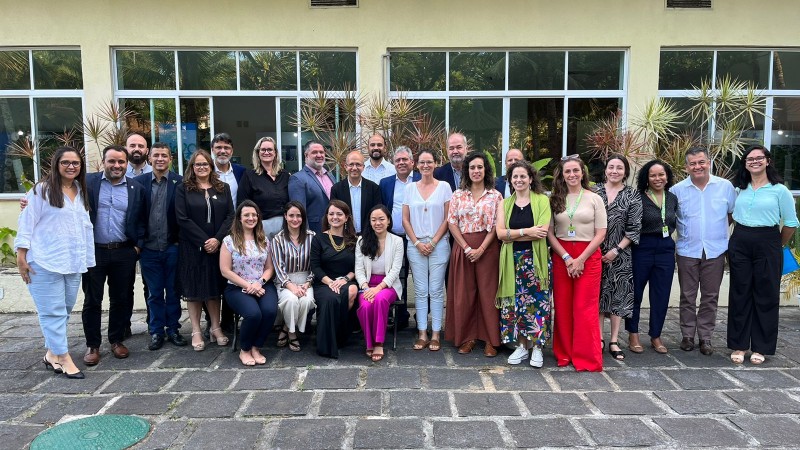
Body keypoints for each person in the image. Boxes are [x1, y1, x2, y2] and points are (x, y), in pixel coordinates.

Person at [15, 147, 94, 379]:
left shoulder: (80, 190)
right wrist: (21, 256)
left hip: (72, 260)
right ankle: (64, 356)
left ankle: (51, 354)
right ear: (56, 164)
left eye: (76, 163)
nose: (71, 166)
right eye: (66, 162)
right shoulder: (41, 191)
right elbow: (26, 222)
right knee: (52, 312)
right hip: (44, 261)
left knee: (66, 308)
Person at [728, 145, 798, 365]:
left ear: (768, 161)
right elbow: (729, 215)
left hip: (768, 241)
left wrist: (777, 244)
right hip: (740, 239)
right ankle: (739, 345)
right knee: (740, 293)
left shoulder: (780, 190)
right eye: (750, 158)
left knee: (765, 295)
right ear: (745, 163)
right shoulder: (739, 188)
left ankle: (761, 347)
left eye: (759, 158)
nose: (754, 161)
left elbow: (791, 223)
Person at [82, 145, 147, 366]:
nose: (116, 165)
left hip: (123, 251)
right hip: (94, 251)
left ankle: (117, 339)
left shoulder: (136, 188)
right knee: (92, 300)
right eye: (112, 161)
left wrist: (137, 246)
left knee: (121, 298)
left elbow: (142, 219)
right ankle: (93, 345)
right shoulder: (87, 182)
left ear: (127, 164)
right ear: (103, 162)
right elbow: (56, 188)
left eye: (121, 162)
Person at [671, 147, 737, 356]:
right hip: (687, 250)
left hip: (715, 250)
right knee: (687, 296)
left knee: (710, 296)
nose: (697, 166)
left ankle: (705, 337)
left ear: (709, 162)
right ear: (686, 166)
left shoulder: (725, 187)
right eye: (693, 163)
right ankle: (688, 335)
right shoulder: (677, 190)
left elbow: (730, 214)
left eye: (701, 162)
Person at [547, 155, 607, 372]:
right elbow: (550, 234)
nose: (572, 175)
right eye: (567, 172)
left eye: (575, 171)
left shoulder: (594, 198)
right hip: (562, 255)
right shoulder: (555, 199)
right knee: (562, 307)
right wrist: (566, 258)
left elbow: (601, 233)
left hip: (588, 256)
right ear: (562, 176)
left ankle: (586, 357)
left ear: (583, 173)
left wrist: (580, 259)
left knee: (585, 308)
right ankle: (564, 354)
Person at [175, 149, 235, 351]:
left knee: (213, 290)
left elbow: (230, 216)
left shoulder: (223, 188)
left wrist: (217, 240)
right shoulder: (184, 188)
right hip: (192, 247)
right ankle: (196, 330)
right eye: (197, 164)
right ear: (192, 167)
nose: (201, 167)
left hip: (217, 248)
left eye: (205, 164)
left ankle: (216, 328)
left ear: (211, 167)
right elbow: (182, 218)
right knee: (194, 290)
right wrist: (203, 241)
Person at [446, 151, 502, 357]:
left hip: (488, 248)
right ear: (466, 171)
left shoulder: (495, 195)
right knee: (464, 294)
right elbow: (452, 222)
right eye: (472, 168)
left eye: (480, 167)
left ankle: (490, 340)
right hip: (463, 248)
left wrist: (482, 248)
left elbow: (497, 225)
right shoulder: (457, 195)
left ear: (485, 170)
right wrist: (468, 248)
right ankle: (467, 337)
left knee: (489, 294)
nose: (476, 171)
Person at [496, 161, 552, 367]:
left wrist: (513, 235)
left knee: (538, 304)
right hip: (512, 261)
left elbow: (542, 232)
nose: (519, 180)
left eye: (523, 176)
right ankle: (521, 346)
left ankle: (537, 348)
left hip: (535, 261)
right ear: (510, 181)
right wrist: (527, 232)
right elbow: (500, 234)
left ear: (530, 179)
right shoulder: (505, 203)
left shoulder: (542, 201)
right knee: (516, 305)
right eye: (515, 177)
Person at [135, 143, 187, 351]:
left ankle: (173, 328)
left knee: (173, 291)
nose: (160, 159)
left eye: (164, 156)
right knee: (154, 292)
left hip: (172, 246)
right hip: (148, 248)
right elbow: (134, 215)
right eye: (156, 155)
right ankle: (156, 330)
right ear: (149, 158)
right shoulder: (138, 183)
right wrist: (138, 243)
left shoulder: (180, 183)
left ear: (170, 159)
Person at [626, 160, 678, 355]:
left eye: (661, 175)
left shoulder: (672, 198)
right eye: (653, 175)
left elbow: (674, 222)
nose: (658, 178)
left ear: (667, 177)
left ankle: (656, 335)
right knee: (636, 293)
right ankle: (633, 334)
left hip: (665, 249)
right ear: (646, 178)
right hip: (642, 247)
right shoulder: (637, 197)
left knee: (661, 295)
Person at [403, 149, 452, 352]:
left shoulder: (444, 187)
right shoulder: (409, 188)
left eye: (429, 162)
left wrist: (433, 242)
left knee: (436, 289)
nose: (425, 165)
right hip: (415, 245)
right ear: (416, 164)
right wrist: (416, 243)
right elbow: (405, 219)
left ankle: (436, 333)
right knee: (421, 291)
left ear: (435, 164)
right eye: (422, 162)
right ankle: (422, 332)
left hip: (439, 244)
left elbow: (448, 218)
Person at [220, 200, 279, 366]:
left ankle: (256, 346)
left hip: (262, 284)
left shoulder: (263, 240)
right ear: (239, 218)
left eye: (254, 215)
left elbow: (269, 268)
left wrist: (259, 283)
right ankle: (244, 349)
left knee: (269, 311)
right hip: (237, 287)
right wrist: (248, 286)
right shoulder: (229, 241)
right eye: (247, 215)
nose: (251, 218)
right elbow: (225, 270)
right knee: (253, 314)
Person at [596, 154, 642, 360]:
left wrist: (616, 250)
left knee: (618, 297)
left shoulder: (632, 195)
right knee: (597, 297)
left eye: (619, 168)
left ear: (625, 172)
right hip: (594, 252)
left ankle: (614, 340)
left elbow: (634, 229)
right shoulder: (593, 191)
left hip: (620, 255)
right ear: (605, 169)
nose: (615, 171)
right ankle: (598, 338)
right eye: (611, 167)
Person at [310, 200, 359, 358]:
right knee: (331, 298)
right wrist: (330, 282)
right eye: (331, 214)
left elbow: (358, 268)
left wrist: (345, 279)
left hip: (346, 280)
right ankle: (327, 342)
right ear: (327, 217)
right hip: (324, 283)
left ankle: (339, 335)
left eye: (339, 214)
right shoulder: (318, 239)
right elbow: (315, 267)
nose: (335, 217)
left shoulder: (354, 240)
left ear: (346, 218)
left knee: (351, 291)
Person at [355, 205, 404, 362]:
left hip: (388, 285)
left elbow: (395, 270)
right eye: (374, 220)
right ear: (369, 222)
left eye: (381, 219)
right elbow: (359, 269)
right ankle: (369, 342)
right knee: (365, 305)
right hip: (367, 285)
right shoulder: (362, 241)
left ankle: (379, 342)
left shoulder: (397, 241)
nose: (378, 223)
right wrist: (365, 287)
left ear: (388, 221)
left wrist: (379, 288)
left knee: (380, 300)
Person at [379, 146, 420, 329]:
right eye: (398, 160)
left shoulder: (421, 179)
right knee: (395, 275)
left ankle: (421, 314)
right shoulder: (385, 183)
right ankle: (399, 315)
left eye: (405, 159)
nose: (401, 163)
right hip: (394, 238)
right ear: (393, 163)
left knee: (420, 276)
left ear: (412, 162)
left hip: (418, 238)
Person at [271, 201, 316, 352]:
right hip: (285, 280)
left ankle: (285, 326)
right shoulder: (277, 239)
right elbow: (278, 267)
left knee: (307, 301)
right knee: (290, 300)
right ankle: (292, 333)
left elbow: (316, 264)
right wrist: (291, 286)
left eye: (298, 216)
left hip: (306, 280)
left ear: (303, 218)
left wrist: (307, 284)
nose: (295, 219)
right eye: (291, 215)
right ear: (285, 216)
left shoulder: (312, 237)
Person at [237, 137, 290, 240]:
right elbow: (242, 204)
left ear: (275, 153)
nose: (266, 152)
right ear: (257, 153)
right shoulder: (249, 176)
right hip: (261, 227)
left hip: (286, 227)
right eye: (263, 150)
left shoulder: (285, 175)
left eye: (270, 149)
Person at [330, 150, 383, 234]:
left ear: (363, 167)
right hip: (344, 236)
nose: (354, 168)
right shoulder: (336, 189)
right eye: (351, 164)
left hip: (368, 237)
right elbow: (333, 215)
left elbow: (377, 214)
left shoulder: (373, 188)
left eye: (358, 164)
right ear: (345, 166)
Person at [288, 140, 335, 234]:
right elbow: (299, 212)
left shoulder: (330, 176)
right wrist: (306, 236)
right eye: (314, 152)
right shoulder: (298, 179)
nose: (319, 155)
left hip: (333, 230)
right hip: (314, 233)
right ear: (306, 155)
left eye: (321, 152)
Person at [210, 132, 246, 205]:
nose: (223, 151)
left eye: (226, 148)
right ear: (212, 150)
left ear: (232, 151)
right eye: (218, 147)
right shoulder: (207, 171)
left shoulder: (241, 172)